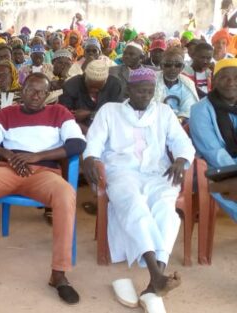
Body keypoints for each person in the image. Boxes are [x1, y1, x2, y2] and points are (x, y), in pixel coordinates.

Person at [0, 73, 85, 306]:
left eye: (41, 92)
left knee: (65, 193)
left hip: (44, 174)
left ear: (47, 94)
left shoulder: (59, 113)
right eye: (31, 90)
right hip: (9, 171)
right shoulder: (6, 114)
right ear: (21, 91)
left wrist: (38, 156)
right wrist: (9, 155)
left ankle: (59, 273)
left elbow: (77, 143)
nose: (36, 96)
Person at [82, 68, 194, 309]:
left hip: (158, 172)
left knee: (166, 210)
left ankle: (157, 277)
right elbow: (95, 142)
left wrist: (180, 160)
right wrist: (90, 157)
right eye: (141, 90)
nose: (145, 95)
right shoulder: (110, 111)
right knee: (134, 206)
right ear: (128, 90)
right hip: (121, 172)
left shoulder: (164, 112)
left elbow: (182, 142)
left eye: (150, 91)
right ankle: (156, 275)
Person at [190, 59, 237, 222]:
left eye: (236, 77)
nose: (231, 82)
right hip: (220, 168)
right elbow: (212, 151)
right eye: (225, 77)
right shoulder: (200, 109)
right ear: (214, 80)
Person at [59, 60, 124, 133]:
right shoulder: (71, 85)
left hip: (107, 129)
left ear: (106, 81)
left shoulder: (115, 85)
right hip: (77, 130)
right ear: (85, 77)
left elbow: (116, 114)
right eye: (90, 86)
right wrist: (87, 131)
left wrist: (90, 114)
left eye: (98, 87)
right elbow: (62, 117)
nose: (94, 90)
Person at [153, 47, 198, 121]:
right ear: (161, 66)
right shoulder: (151, 80)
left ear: (182, 67)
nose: (172, 68)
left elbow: (187, 111)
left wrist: (175, 123)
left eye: (178, 65)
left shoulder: (188, 84)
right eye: (168, 65)